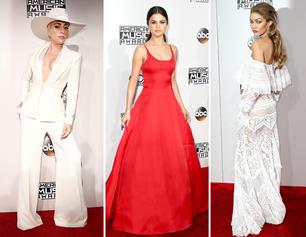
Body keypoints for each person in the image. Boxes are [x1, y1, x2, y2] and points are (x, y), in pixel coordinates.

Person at [106, 6, 207, 235]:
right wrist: (127, 110)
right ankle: (144, 211)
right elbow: (133, 82)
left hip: (169, 107)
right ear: (148, 25)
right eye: (153, 22)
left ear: (167, 24)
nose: (158, 26)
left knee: (173, 160)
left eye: (162, 22)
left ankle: (176, 208)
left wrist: (182, 107)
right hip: (148, 107)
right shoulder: (141, 50)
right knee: (147, 159)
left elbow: (173, 81)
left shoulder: (174, 50)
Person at [17, 8, 87, 230]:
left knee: (73, 157)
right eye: (57, 26)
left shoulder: (74, 57)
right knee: (28, 165)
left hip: (56, 114)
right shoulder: (35, 54)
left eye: (65, 26)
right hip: (30, 114)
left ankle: (69, 216)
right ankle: (26, 218)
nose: (63, 30)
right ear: (48, 29)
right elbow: (25, 78)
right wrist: (22, 102)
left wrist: (69, 119)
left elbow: (73, 90)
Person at [231, 3, 291, 236]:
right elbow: (277, 86)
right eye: (251, 21)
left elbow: (253, 89)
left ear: (269, 22)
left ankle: (254, 211)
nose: (254, 26)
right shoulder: (275, 45)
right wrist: (269, 104)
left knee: (247, 162)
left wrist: (243, 111)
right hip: (269, 111)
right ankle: (272, 209)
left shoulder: (257, 45)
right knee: (266, 160)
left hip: (254, 111)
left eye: (258, 21)